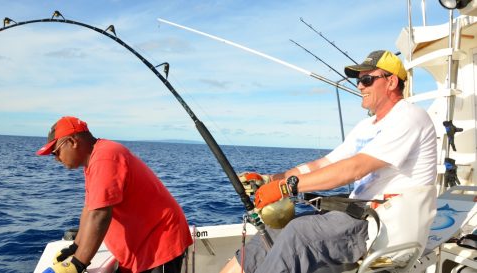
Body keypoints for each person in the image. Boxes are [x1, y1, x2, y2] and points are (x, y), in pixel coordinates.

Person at [220, 50, 437, 273]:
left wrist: (285, 187)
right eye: (359, 81)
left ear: (391, 82)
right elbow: (324, 163)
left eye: (366, 79)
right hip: (357, 214)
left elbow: (354, 168)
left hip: (382, 226)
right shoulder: (367, 126)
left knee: (298, 233)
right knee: (275, 230)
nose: (359, 86)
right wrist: (271, 179)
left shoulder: (409, 116)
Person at [36, 116, 192, 273]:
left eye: (55, 152)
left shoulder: (105, 157)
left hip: (159, 245)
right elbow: (90, 209)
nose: (56, 159)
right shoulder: (94, 160)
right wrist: (75, 246)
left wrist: (77, 263)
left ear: (72, 142)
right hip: (139, 248)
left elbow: (100, 216)